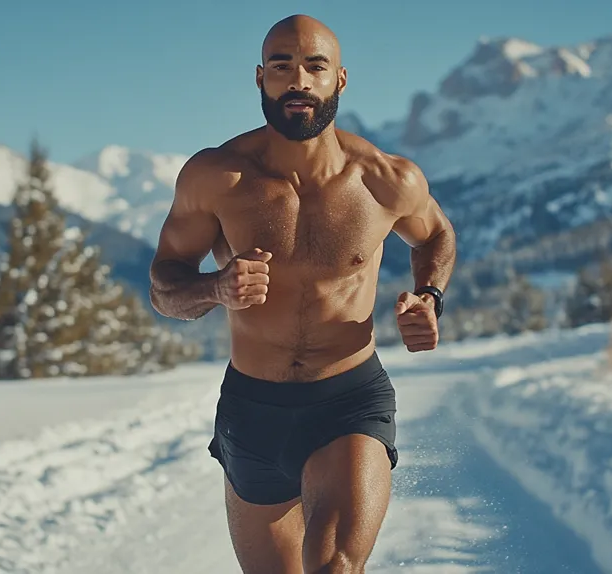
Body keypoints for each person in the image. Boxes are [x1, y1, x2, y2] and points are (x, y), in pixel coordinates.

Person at [148, 14, 456, 574]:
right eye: (283, 67)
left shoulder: (385, 179)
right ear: (260, 78)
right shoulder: (216, 177)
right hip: (251, 410)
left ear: (340, 80)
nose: (299, 82)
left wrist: (428, 296)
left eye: (315, 67)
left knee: (334, 567)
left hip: (348, 401)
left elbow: (434, 232)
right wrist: (216, 287)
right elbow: (164, 288)